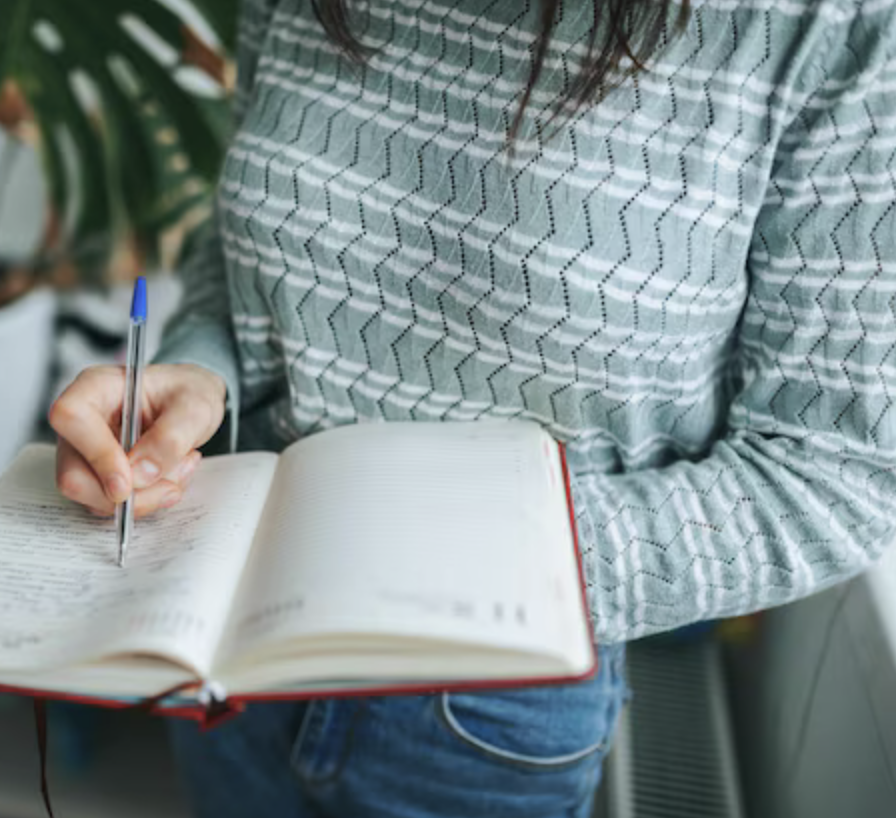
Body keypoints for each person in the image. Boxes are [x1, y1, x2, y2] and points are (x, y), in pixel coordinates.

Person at [48, 0, 896, 814]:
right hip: (228, 624)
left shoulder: (831, 25)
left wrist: (432, 563)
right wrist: (199, 371)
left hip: (487, 703)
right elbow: (246, 242)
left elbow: (837, 472)